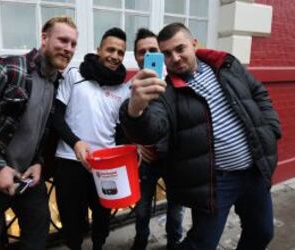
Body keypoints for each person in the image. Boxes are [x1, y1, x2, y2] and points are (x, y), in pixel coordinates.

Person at [120, 23, 281, 250]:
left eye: (180, 49)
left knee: (262, 232)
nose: (174, 58)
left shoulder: (226, 65)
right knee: (201, 244)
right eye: (166, 54)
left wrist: (271, 129)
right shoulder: (165, 92)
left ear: (194, 44)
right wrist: (135, 109)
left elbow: (258, 93)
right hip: (216, 182)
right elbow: (153, 128)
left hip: (254, 171)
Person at [0, 16, 78, 250]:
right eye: (63, 40)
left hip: (27, 179)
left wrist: (38, 162)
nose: (68, 49)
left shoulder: (56, 83)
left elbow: (39, 130)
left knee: (37, 238)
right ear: (44, 38)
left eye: (73, 44)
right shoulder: (7, 67)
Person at [52, 27, 130, 250]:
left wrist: (132, 150)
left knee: (102, 215)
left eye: (121, 52)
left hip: (105, 165)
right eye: (110, 49)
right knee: (71, 217)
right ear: (99, 50)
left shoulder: (123, 89)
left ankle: (98, 246)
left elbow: (120, 130)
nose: (115, 56)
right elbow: (56, 116)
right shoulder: (74, 73)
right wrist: (75, 142)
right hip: (70, 159)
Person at [131, 28, 183, 250]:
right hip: (148, 159)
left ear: (161, 52)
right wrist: (136, 144)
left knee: (176, 207)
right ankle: (140, 240)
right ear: (136, 57)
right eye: (142, 51)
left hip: (174, 158)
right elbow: (123, 122)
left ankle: (174, 241)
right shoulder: (131, 87)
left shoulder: (178, 82)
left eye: (153, 50)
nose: (147, 55)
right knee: (142, 207)